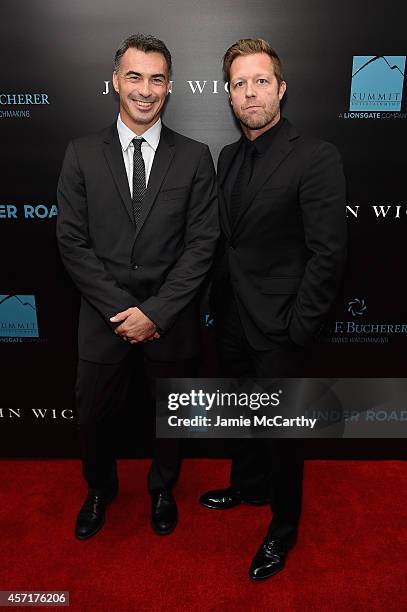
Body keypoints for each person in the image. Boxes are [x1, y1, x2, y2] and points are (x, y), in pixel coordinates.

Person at [57, 33, 218, 540]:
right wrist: (122, 310)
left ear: (169, 87)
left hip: (169, 319)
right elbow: (72, 241)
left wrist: (157, 312)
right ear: (115, 82)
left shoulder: (194, 157)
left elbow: (202, 244)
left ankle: (163, 488)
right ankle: (100, 489)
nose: (144, 90)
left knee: (171, 417)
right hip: (102, 317)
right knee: (94, 419)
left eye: (156, 79)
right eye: (134, 76)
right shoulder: (81, 153)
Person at [199, 38, 347, 580]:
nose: (250, 92)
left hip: (282, 326)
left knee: (283, 435)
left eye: (260, 81)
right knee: (243, 415)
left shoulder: (315, 155)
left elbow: (328, 253)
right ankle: (248, 486)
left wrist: (298, 329)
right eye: (239, 84)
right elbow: (228, 243)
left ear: (281, 88)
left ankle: (283, 531)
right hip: (233, 319)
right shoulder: (229, 156)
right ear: (229, 95)